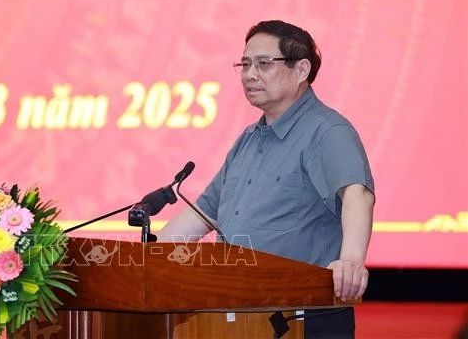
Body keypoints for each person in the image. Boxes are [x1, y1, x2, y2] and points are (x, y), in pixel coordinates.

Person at [159, 20, 375, 338]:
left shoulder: (328, 132)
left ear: (301, 69)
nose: (249, 74)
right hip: (238, 315)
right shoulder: (249, 139)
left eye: (263, 64)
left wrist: (352, 262)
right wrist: (151, 258)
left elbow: (358, 194)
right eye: (244, 64)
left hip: (302, 318)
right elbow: (203, 212)